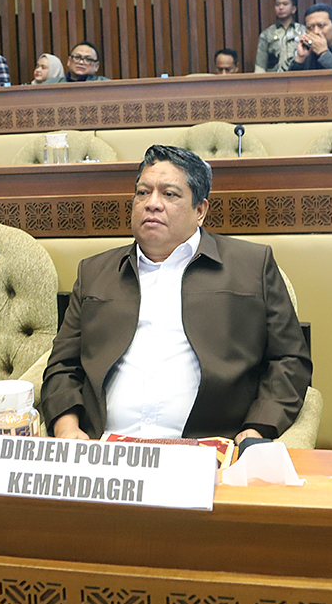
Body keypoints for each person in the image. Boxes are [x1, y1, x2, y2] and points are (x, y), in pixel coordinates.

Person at [41, 145, 311, 442]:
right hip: (105, 449)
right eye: (143, 192)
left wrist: (257, 429)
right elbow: (62, 366)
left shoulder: (251, 267)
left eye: (169, 194)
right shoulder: (94, 273)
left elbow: (290, 360)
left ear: (200, 210)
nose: (152, 203)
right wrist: (67, 428)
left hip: (208, 450)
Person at [255, 0, 306, 72]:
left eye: (285, 4)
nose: (281, 7)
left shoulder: (303, 31)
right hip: (274, 80)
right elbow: (260, 65)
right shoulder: (266, 34)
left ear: (293, 9)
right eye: (277, 4)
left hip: (300, 78)